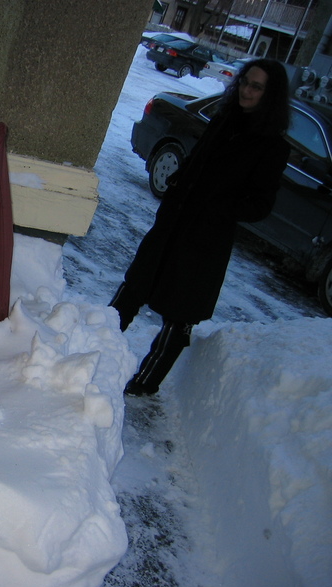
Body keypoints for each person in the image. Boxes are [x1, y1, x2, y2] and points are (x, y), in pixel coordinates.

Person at [111, 58, 291, 396]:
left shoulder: (272, 146)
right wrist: (180, 179)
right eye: (245, 82)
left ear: (271, 96)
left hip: (204, 240)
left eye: (256, 87)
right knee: (135, 285)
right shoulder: (225, 119)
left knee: (179, 314)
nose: (246, 90)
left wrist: (216, 208)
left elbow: (260, 204)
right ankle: (96, 346)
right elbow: (197, 160)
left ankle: (144, 384)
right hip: (174, 222)